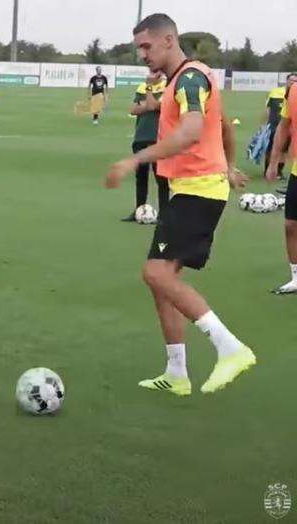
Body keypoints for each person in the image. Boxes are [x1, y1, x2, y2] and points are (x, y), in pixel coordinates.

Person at [105, 13, 254, 396]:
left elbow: (190, 132)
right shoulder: (178, 81)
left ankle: (231, 348)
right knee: (161, 282)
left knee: (156, 274)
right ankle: (177, 373)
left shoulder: (190, 77)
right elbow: (220, 127)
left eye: (146, 46)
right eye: (139, 47)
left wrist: (135, 159)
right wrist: (230, 165)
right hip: (187, 189)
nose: (142, 54)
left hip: (198, 191)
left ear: (169, 40)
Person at [265, 75, 297, 295]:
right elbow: (284, 127)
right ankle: (296, 276)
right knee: (290, 225)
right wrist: (274, 161)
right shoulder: (294, 91)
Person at [122, 72, 169, 221]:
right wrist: (148, 105)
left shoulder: (167, 86)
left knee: (161, 178)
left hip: (158, 138)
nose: (152, 73)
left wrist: (148, 94)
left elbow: (153, 105)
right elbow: (133, 110)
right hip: (140, 137)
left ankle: (164, 214)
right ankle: (138, 211)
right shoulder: (142, 86)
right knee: (140, 177)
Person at [264, 73, 296, 181]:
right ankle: (268, 168)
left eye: (295, 81)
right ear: (286, 81)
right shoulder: (278, 92)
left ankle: (279, 171)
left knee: (284, 151)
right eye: (291, 80)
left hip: (290, 128)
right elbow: (268, 108)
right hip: (274, 126)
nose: (293, 82)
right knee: (270, 148)